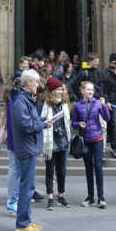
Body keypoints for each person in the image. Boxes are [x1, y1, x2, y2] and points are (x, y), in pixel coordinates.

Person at [11, 69, 52, 231]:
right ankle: (22, 224)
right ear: (28, 83)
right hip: (26, 148)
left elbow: (30, 121)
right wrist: (43, 125)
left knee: (28, 186)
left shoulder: (26, 100)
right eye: (36, 82)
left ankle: (26, 220)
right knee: (27, 187)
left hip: (29, 147)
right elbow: (26, 126)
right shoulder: (21, 101)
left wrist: (43, 121)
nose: (37, 85)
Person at [72, 80, 111, 209]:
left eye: (92, 90)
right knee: (88, 168)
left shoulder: (98, 103)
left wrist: (104, 105)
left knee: (98, 167)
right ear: (82, 91)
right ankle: (90, 197)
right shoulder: (77, 105)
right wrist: (78, 124)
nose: (90, 92)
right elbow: (73, 123)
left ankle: (101, 197)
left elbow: (107, 118)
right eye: (88, 89)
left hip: (98, 138)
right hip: (86, 140)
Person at [41, 78, 71, 209]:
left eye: (61, 89)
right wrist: (47, 122)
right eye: (58, 89)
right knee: (50, 171)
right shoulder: (46, 105)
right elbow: (41, 121)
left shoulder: (64, 104)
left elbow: (68, 123)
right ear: (52, 91)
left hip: (63, 140)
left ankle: (61, 195)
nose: (60, 91)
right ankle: (50, 196)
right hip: (51, 142)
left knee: (62, 170)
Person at [2, 82, 20, 214]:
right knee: (15, 170)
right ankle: (12, 199)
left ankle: (12, 199)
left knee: (14, 169)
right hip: (16, 142)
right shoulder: (15, 101)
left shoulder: (11, 100)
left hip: (13, 141)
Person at [102, 55, 116, 158]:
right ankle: (114, 146)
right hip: (113, 104)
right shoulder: (108, 78)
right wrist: (107, 102)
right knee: (115, 125)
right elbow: (104, 91)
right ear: (114, 70)